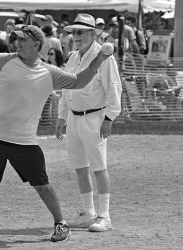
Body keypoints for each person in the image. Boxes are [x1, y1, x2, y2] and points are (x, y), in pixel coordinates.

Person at [0, 24, 111, 242]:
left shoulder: (49, 72)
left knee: (42, 185)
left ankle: (61, 224)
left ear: (36, 44)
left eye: (23, 39)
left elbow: (79, 81)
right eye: (16, 38)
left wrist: (99, 58)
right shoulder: (5, 60)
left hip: (22, 140)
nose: (18, 42)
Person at [55, 13, 122, 232]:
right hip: (74, 118)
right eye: (74, 32)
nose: (76, 36)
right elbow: (66, 87)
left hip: (95, 118)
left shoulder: (104, 57)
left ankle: (105, 216)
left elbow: (113, 87)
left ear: (93, 34)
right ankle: (88, 213)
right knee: (80, 168)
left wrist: (109, 117)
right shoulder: (74, 57)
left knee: (99, 168)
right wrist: (62, 116)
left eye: (80, 32)